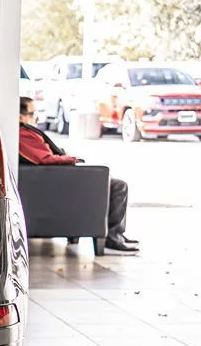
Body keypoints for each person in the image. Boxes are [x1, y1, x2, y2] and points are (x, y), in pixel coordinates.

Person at [19, 96, 139, 255]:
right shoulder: (24, 134)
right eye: (32, 114)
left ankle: (114, 234)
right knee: (119, 186)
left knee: (113, 184)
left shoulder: (25, 133)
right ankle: (113, 237)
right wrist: (71, 159)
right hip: (58, 179)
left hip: (55, 178)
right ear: (20, 116)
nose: (36, 118)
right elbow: (45, 159)